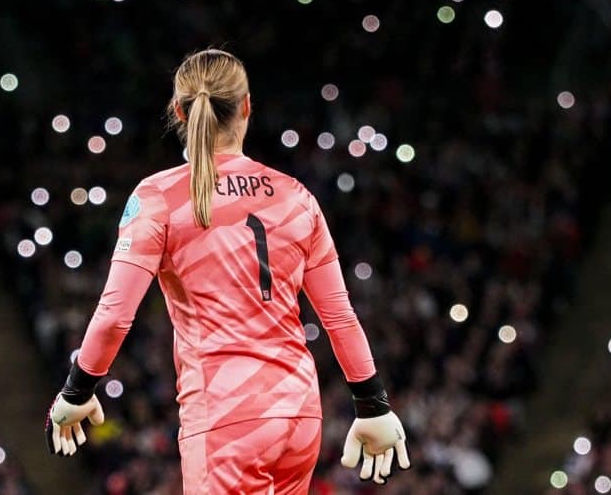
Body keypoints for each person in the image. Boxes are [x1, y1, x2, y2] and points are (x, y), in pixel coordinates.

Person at [44, 49, 410, 493]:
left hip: (224, 418)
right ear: (247, 106)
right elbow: (338, 315)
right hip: (299, 415)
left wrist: (77, 390)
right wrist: (372, 403)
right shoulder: (296, 196)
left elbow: (116, 313)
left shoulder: (160, 196)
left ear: (179, 111)